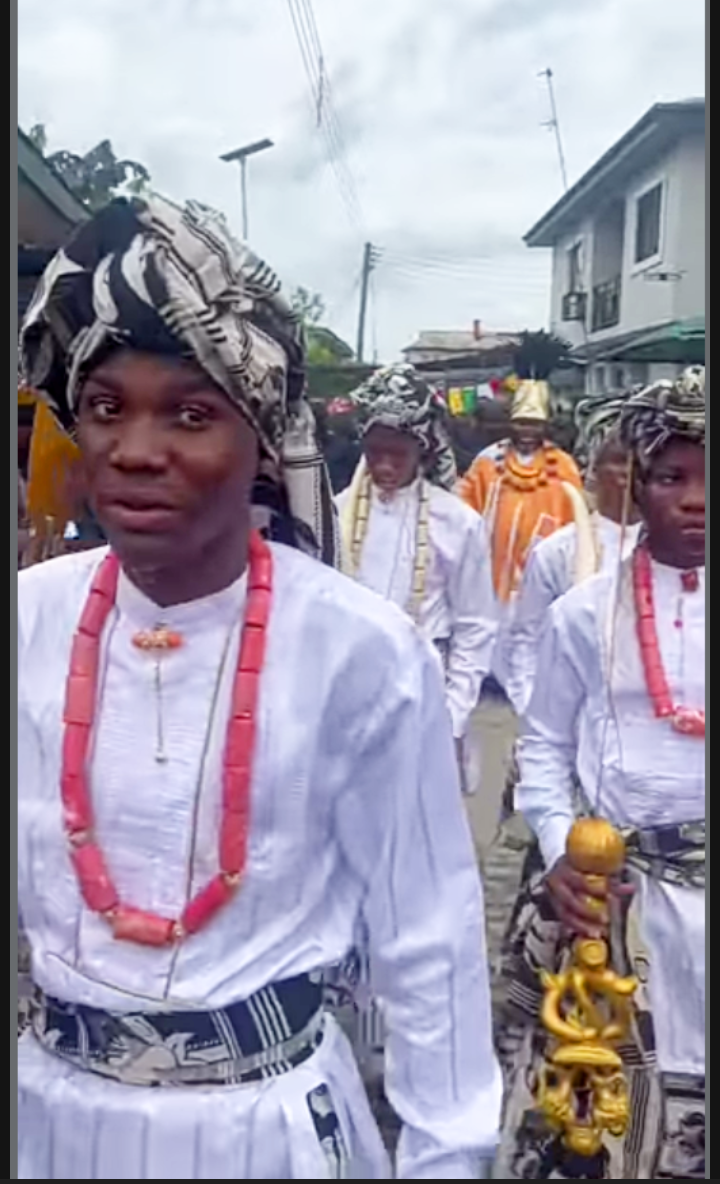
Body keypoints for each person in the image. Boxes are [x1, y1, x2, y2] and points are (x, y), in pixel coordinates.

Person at [17, 193, 502, 1180]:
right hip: (48, 1121)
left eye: (190, 413)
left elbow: (428, 937)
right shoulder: (29, 621)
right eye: (106, 407)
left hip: (271, 1130)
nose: (137, 448)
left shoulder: (361, 650)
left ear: (262, 438)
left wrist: (447, 1154)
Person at [493, 367, 705, 1179]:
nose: (694, 498)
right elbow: (542, 745)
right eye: (671, 476)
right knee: (598, 1119)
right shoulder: (585, 611)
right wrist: (558, 853)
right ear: (635, 484)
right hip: (619, 897)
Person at [337, 362, 497, 779]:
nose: (385, 465)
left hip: (427, 691)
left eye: (398, 454)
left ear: (423, 450)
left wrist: (452, 713)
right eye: (375, 452)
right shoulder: (336, 514)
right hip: (346, 693)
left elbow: (477, 624)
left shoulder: (457, 522)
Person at [498, 394, 643, 830]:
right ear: (592, 469)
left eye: (639, 461)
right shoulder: (558, 550)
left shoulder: (674, 547)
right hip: (563, 733)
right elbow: (523, 640)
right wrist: (535, 710)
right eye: (617, 461)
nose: (628, 473)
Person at [458, 379, 583, 608]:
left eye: (534, 424)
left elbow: (576, 523)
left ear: (545, 427)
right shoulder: (488, 461)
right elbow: (464, 512)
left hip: (543, 571)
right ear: (510, 424)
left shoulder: (564, 466)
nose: (527, 431)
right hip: (491, 571)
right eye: (521, 423)